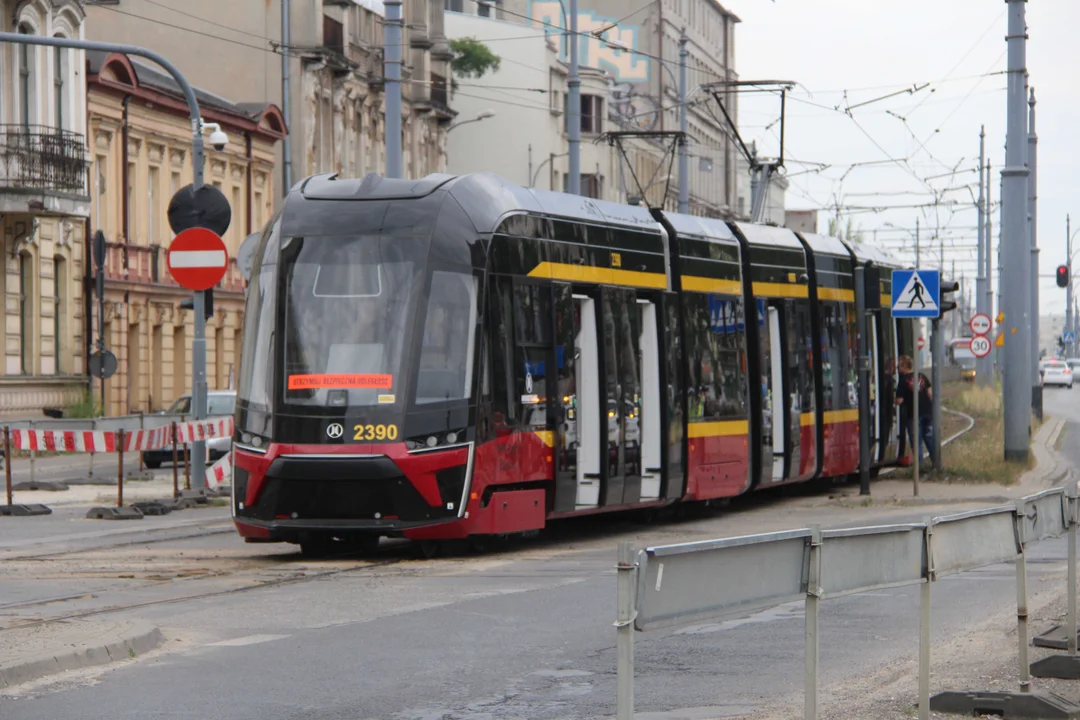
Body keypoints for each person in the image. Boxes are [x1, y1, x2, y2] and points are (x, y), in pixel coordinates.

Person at [895, 355, 934, 468]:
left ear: (904, 366)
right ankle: (936, 464)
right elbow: (930, 393)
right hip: (927, 412)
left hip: (913, 415)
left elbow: (899, 400)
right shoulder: (922, 376)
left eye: (899, 366)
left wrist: (894, 401)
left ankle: (920, 467)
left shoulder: (903, 381)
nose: (897, 368)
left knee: (916, 442)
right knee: (930, 439)